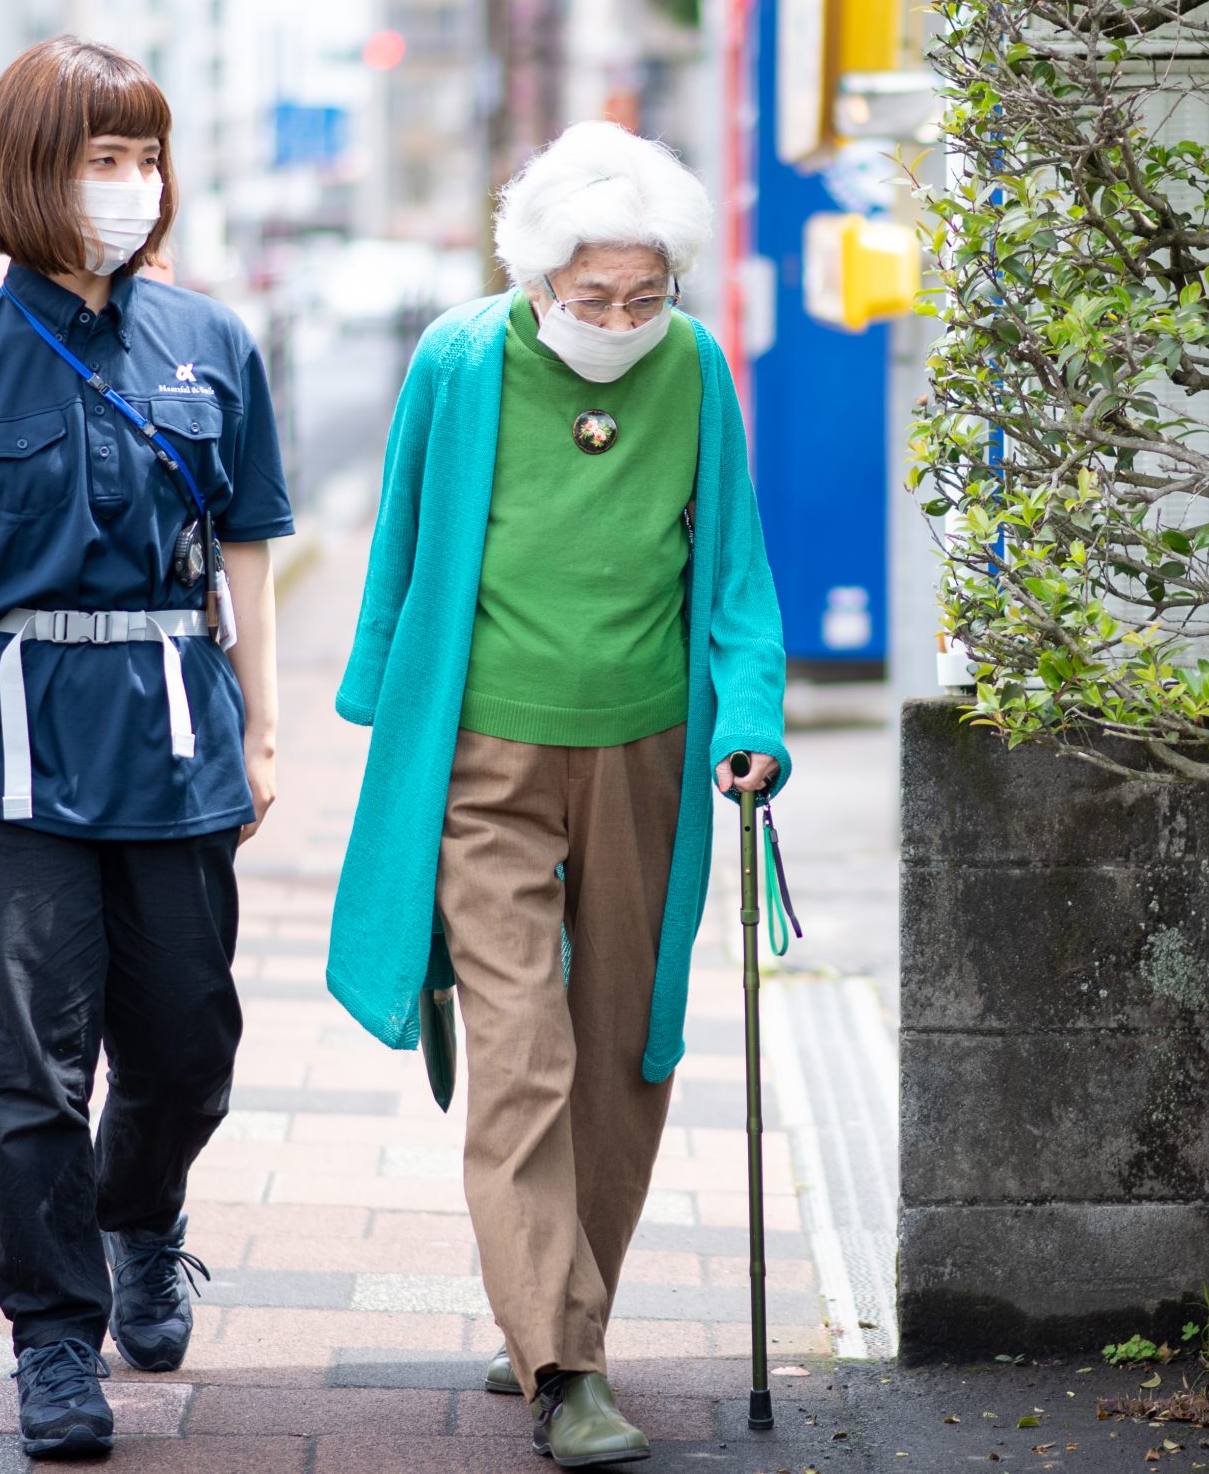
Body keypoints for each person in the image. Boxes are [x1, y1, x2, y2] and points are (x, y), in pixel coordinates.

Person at [0, 37, 292, 1461]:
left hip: (169, 729)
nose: (129, 185)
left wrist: (262, 727)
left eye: (144, 156)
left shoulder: (214, 345)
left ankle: (142, 1216)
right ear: (27, 173)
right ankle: (53, 1343)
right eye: (100, 158)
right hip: (2, 750)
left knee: (189, 1043)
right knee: (26, 1069)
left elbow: (253, 550)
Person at [327, 121, 789, 1468]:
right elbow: (404, 538)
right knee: (523, 1047)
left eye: (647, 298)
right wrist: (375, 705)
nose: (622, 323)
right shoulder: (461, 363)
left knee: (619, 1056)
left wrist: (750, 720)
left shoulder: (697, 373)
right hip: (485, 759)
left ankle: (548, 1305)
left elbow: (740, 577)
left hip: (645, 749)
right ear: (539, 279)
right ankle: (566, 1365)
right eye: (595, 299)